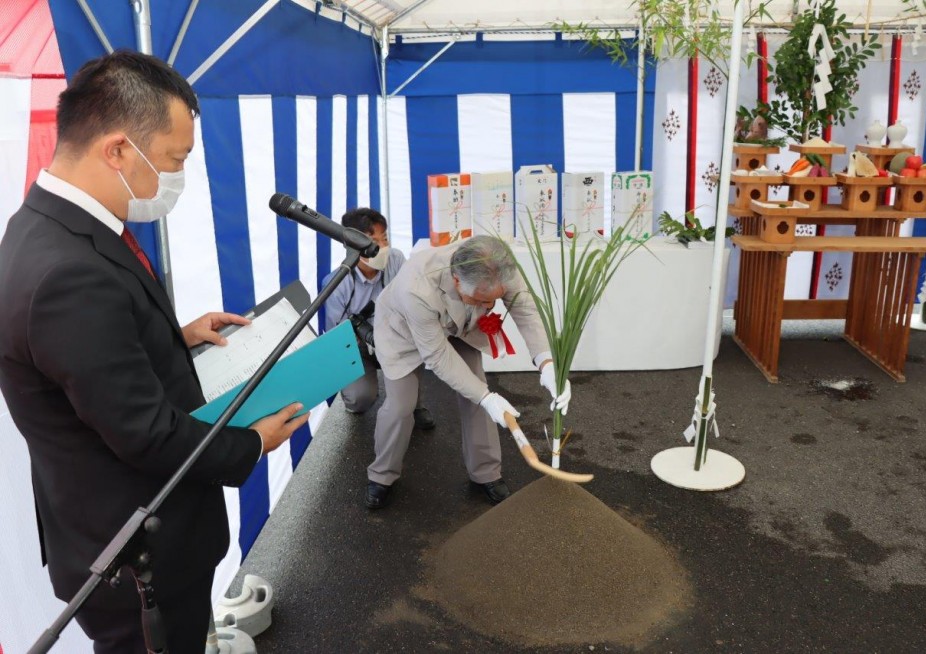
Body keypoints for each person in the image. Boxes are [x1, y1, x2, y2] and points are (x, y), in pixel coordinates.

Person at [0, 51, 308, 653]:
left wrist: (175, 334)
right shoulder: (67, 273)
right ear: (117, 149)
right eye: (175, 160)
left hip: (113, 528)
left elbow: (88, 362)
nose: (177, 178)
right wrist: (255, 442)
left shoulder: (44, 225)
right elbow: (145, 434)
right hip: (134, 556)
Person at [365, 235, 571, 509]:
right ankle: (382, 474)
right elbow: (437, 355)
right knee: (401, 406)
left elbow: (525, 309)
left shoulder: (498, 264)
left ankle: (485, 472)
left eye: (494, 302)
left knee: (476, 392)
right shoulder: (416, 287)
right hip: (402, 330)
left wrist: (547, 363)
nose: (489, 308)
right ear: (457, 280)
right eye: (482, 301)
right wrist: (487, 397)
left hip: (460, 326)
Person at [320, 208, 434, 429]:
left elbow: (411, 301)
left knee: (416, 340)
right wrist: (366, 338)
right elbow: (336, 338)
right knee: (359, 399)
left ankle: (415, 404)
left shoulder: (396, 259)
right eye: (373, 241)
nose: (382, 247)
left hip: (396, 337)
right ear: (351, 244)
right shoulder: (336, 283)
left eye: (385, 239)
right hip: (358, 348)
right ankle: (361, 391)